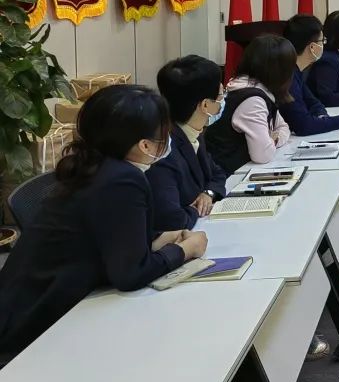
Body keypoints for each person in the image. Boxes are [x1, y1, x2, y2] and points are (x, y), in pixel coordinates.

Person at [0, 85, 207, 360]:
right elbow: (130, 274)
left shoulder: (95, 166)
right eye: (163, 136)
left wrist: (157, 240)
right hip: (38, 326)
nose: (167, 143)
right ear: (144, 145)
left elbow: (104, 236)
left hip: (26, 302)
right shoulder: (123, 179)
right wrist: (186, 250)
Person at [147, 55, 230, 231]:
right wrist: (196, 210)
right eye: (221, 95)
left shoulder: (193, 132)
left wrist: (208, 194)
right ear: (205, 105)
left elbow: (217, 174)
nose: (224, 100)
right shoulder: (163, 151)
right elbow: (172, 219)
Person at [204, 34, 295, 174]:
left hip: (242, 170)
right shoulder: (252, 100)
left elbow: (283, 127)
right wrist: (274, 140)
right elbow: (262, 155)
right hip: (228, 177)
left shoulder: (258, 90)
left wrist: (272, 139)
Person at [281, 14, 339, 135]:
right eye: (322, 41)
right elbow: (304, 126)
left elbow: (314, 103)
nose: (324, 45)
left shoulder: (296, 72)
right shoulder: (287, 78)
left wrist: (321, 116)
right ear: (312, 47)